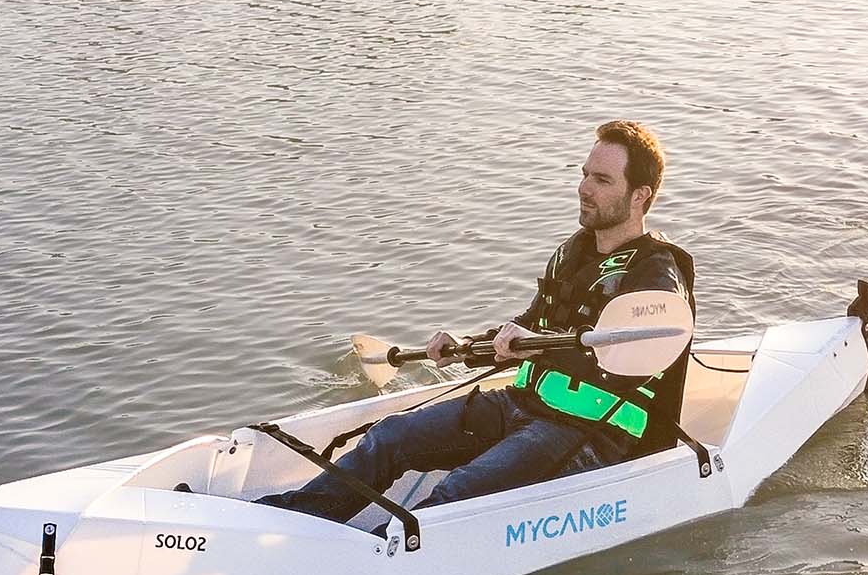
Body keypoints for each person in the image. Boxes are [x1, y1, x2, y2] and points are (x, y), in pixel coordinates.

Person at [258, 120, 695, 524]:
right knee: (389, 437)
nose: (584, 188)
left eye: (602, 180)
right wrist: (465, 347)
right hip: (522, 404)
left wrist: (538, 342)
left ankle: (380, 556)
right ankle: (293, 520)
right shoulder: (573, 253)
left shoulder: (657, 274)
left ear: (640, 195)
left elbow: (638, 357)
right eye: (584, 175)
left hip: (591, 432)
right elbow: (530, 325)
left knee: (458, 493)